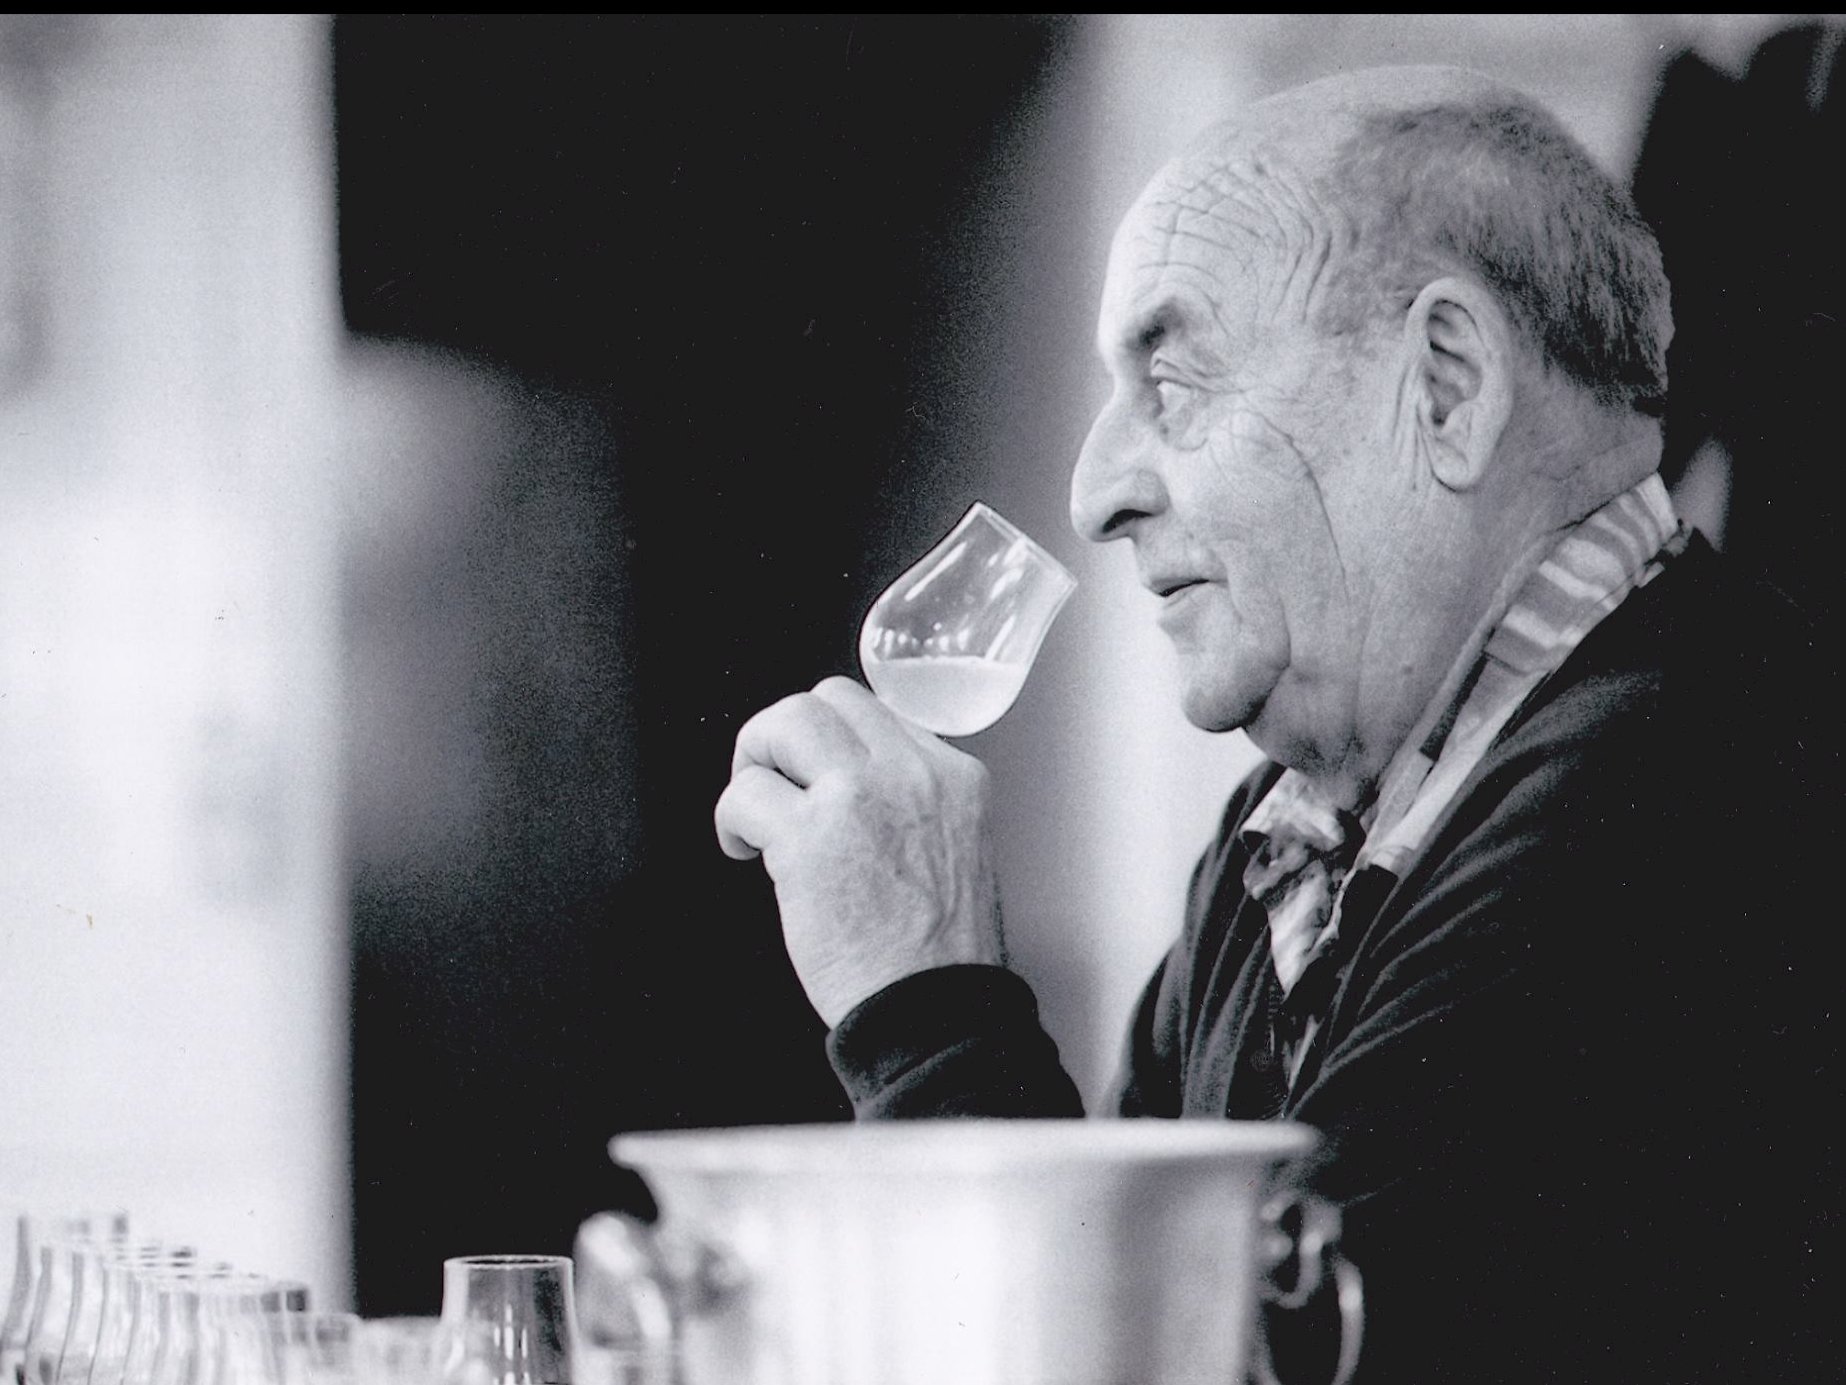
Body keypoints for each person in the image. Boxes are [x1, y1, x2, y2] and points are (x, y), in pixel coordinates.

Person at [713, 66, 1835, 1383]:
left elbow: (1165, 1362)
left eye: (1173, 377)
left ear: (1445, 388)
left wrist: (925, 1006)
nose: (1094, 492)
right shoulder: (1288, 837)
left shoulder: (1679, 778)